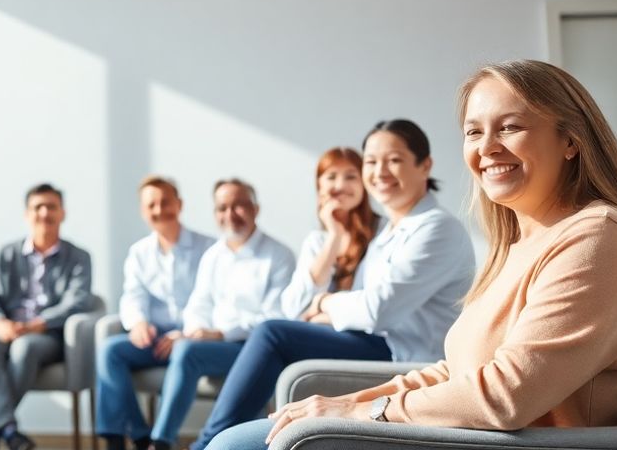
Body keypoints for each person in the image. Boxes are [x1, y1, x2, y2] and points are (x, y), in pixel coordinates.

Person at [209, 60, 617, 450]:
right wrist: (347, 404)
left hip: (502, 442)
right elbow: (456, 370)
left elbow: (505, 395)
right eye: (473, 132)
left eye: (510, 127)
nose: (487, 148)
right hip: (469, 434)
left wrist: (362, 411)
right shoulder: (519, 244)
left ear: (571, 140)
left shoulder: (598, 239)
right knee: (242, 439)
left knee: (237, 443)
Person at [186, 120, 476, 450]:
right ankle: (219, 439)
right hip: (378, 341)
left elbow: (376, 309)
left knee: (272, 334)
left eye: (394, 160)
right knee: (273, 336)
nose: (380, 171)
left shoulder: (436, 228)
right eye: (371, 161)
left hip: (407, 355)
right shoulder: (392, 232)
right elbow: (340, 305)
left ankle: (206, 443)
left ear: (425, 165)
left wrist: (323, 303)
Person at [136, 179, 295, 450]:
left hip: (255, 349)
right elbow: (198, 304)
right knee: (185, 347)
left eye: (238, 205)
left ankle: (161, 443)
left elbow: (276, 318)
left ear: (255, 209)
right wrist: (196, 331)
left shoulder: (279, 255)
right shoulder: (213, 255)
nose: (230, 214)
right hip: (216, 347)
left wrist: (220, 333)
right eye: (222, 208)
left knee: (187, 352)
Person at [96, 175, 216, 450]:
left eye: (165, 202)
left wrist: (185, 334)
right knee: (109, 351)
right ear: (143, 211)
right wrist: (138, 323)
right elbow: (133, 295)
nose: (159, 210)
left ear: (179, 204)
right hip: (155, 341)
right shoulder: (139, 252)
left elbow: (214, 300)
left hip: (193, 339)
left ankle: (160, 442)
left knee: (186, 350)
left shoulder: (209, 248)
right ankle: (132, 437)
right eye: (152, 205)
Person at [0, 183, 96, 450]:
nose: (44, 213)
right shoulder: (6, 254)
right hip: (6, 329)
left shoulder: (79, 257)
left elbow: (78, 301)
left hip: (46, 335)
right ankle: (9, 430)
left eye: (51, 207)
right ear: (27, 214)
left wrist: (41, 323)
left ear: (62, 213)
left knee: (24, 348)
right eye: (37, 207)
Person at [278, 147, 381, 321]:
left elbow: (376, 306)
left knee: (270, 330)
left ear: (364, 183)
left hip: (363, 332)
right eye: (331, 177)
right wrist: (334, 236)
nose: (340, 186)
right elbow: (294, 308)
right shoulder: (317, 240)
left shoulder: (383, 231)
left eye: (351, 177)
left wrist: (322, 314)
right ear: (319, 185)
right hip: (321, 331)